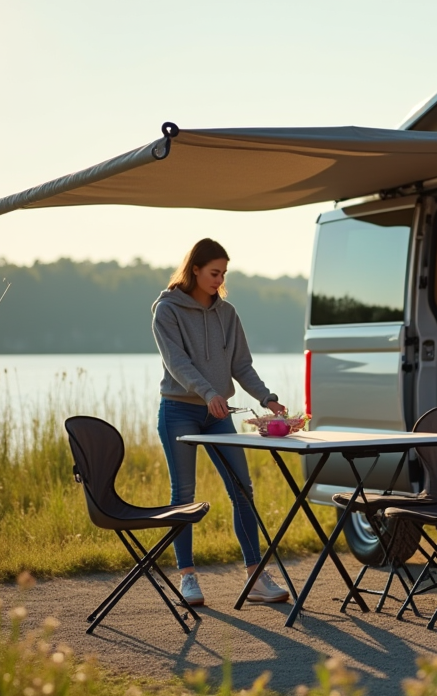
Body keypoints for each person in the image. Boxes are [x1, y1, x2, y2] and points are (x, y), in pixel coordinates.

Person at [152, 238, 288, 606]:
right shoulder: (167, 310)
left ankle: (256, 578)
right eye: (214, 273)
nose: (219, 280)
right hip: (179, 410)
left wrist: (267, 398)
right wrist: (208, 392)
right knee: (183, 495)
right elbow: (177, 363)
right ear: (195, 269)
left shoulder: (227, 314)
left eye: (224, 273)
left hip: (218, 416)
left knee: (242, 490)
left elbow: (241, 364)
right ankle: (188, 578)